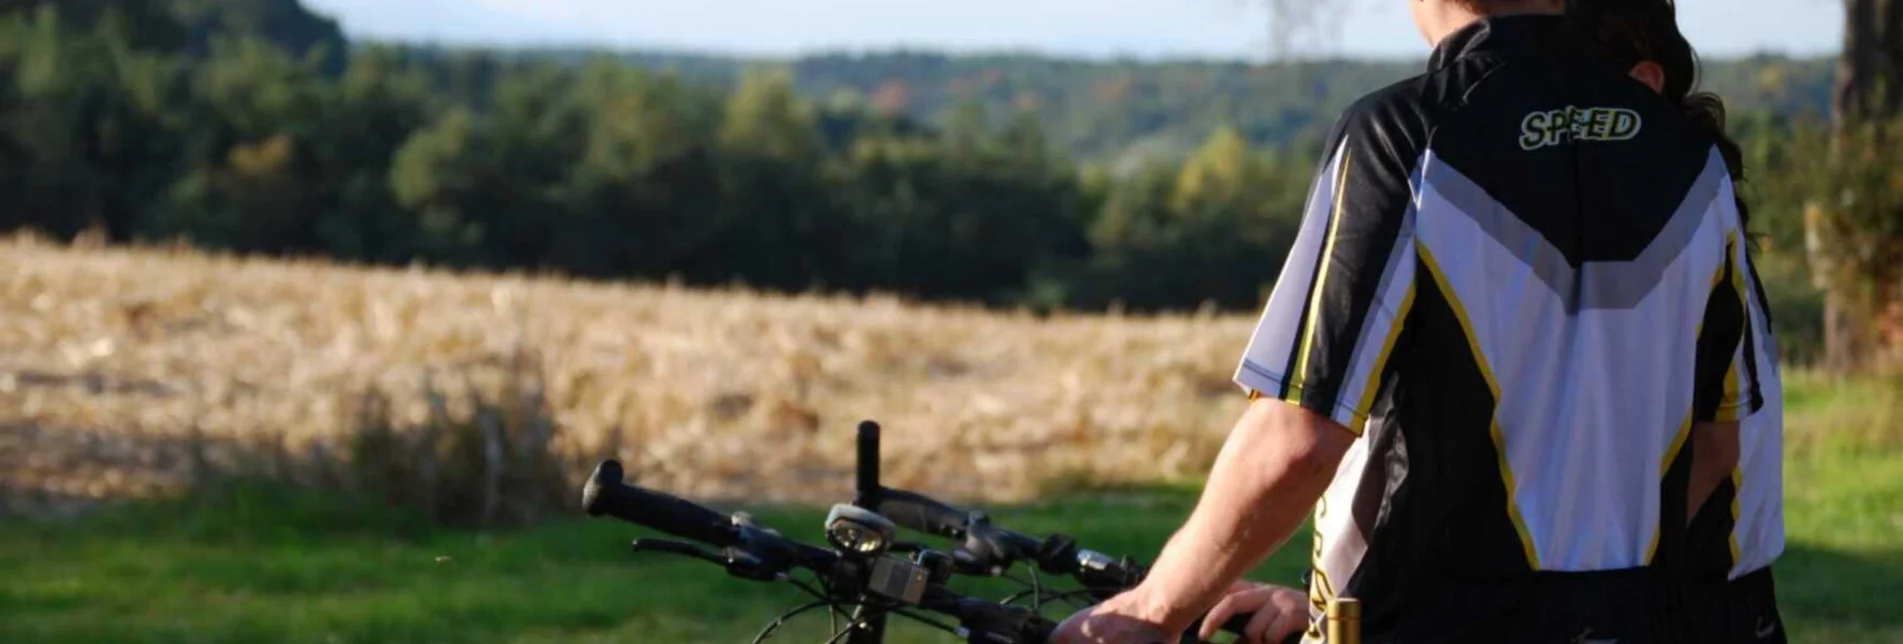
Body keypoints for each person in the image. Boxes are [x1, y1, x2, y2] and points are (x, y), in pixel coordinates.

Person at [1049, 0, 1766, 642]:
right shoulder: (1689, 154)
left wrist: (1153, 610)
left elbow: (1296, 440)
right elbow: (1716, 446)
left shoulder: (1404, 133)